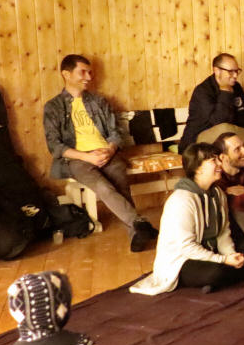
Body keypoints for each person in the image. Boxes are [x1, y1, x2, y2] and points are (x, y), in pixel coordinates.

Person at [130, 143, 244, 296]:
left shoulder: (218, 193)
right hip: (184, 261)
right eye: (213, 161)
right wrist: (223, 260)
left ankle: (229, 276)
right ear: (198, 169)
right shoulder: (181, 201)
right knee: (215, 272)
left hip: (214, 252)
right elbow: (187, 247)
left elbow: (223, 232)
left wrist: (231, 255)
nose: (220, 164)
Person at [43, 54, 158, 252]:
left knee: (120, 181)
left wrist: (110, 150)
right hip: (78, 158)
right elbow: (55, 146)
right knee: (103, 186)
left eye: (90, 72)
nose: (88, 77)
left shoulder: (99, 101)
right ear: (66, 74)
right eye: (83, 72)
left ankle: (137, 232)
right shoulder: (53, 107)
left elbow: (116, 133)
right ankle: (138, 224)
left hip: (107, 153)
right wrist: (87, 156)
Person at [178, 53, 244, 164]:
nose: (235, 75)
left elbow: (242, 117)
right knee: (224, 128)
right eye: (230, 71)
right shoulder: (203, 91)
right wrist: (225, 92)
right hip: (198, 140)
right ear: (217, 71)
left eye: (237, 71)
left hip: (227, 138)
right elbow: (218, 122)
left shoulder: (237, 87)